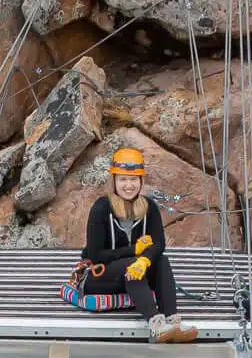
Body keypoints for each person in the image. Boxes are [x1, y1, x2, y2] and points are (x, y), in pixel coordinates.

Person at [80, 147, 198, 343]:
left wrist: (144, 260)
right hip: (101, 276)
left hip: (135, 275)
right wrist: (133, 251)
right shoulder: (101, 208)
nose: (129, 185)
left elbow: (158, 243)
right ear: (114, 181)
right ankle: (156, 323)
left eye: (133, 179)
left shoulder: (149, 207)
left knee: (161, 261)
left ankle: (173, 321)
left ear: (141, 181)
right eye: (123, 179)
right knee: (131, 264)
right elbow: (96, 254)